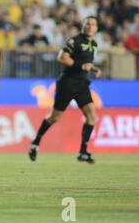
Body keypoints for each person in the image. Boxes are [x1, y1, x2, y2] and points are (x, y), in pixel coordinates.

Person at [28, 16, 101, 163]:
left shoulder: (94, 44)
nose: (90, 26)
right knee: (55, 117)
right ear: (83, 25)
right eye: (87, 24)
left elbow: (86, 62)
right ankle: (35, 142)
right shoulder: (74, 41)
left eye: (93, 24)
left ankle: (83, 152)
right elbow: (62, 58)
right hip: (67, 83)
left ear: (96, 28)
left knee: (91, 115)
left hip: (82, 84)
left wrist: (93, 68)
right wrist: (81, 66)